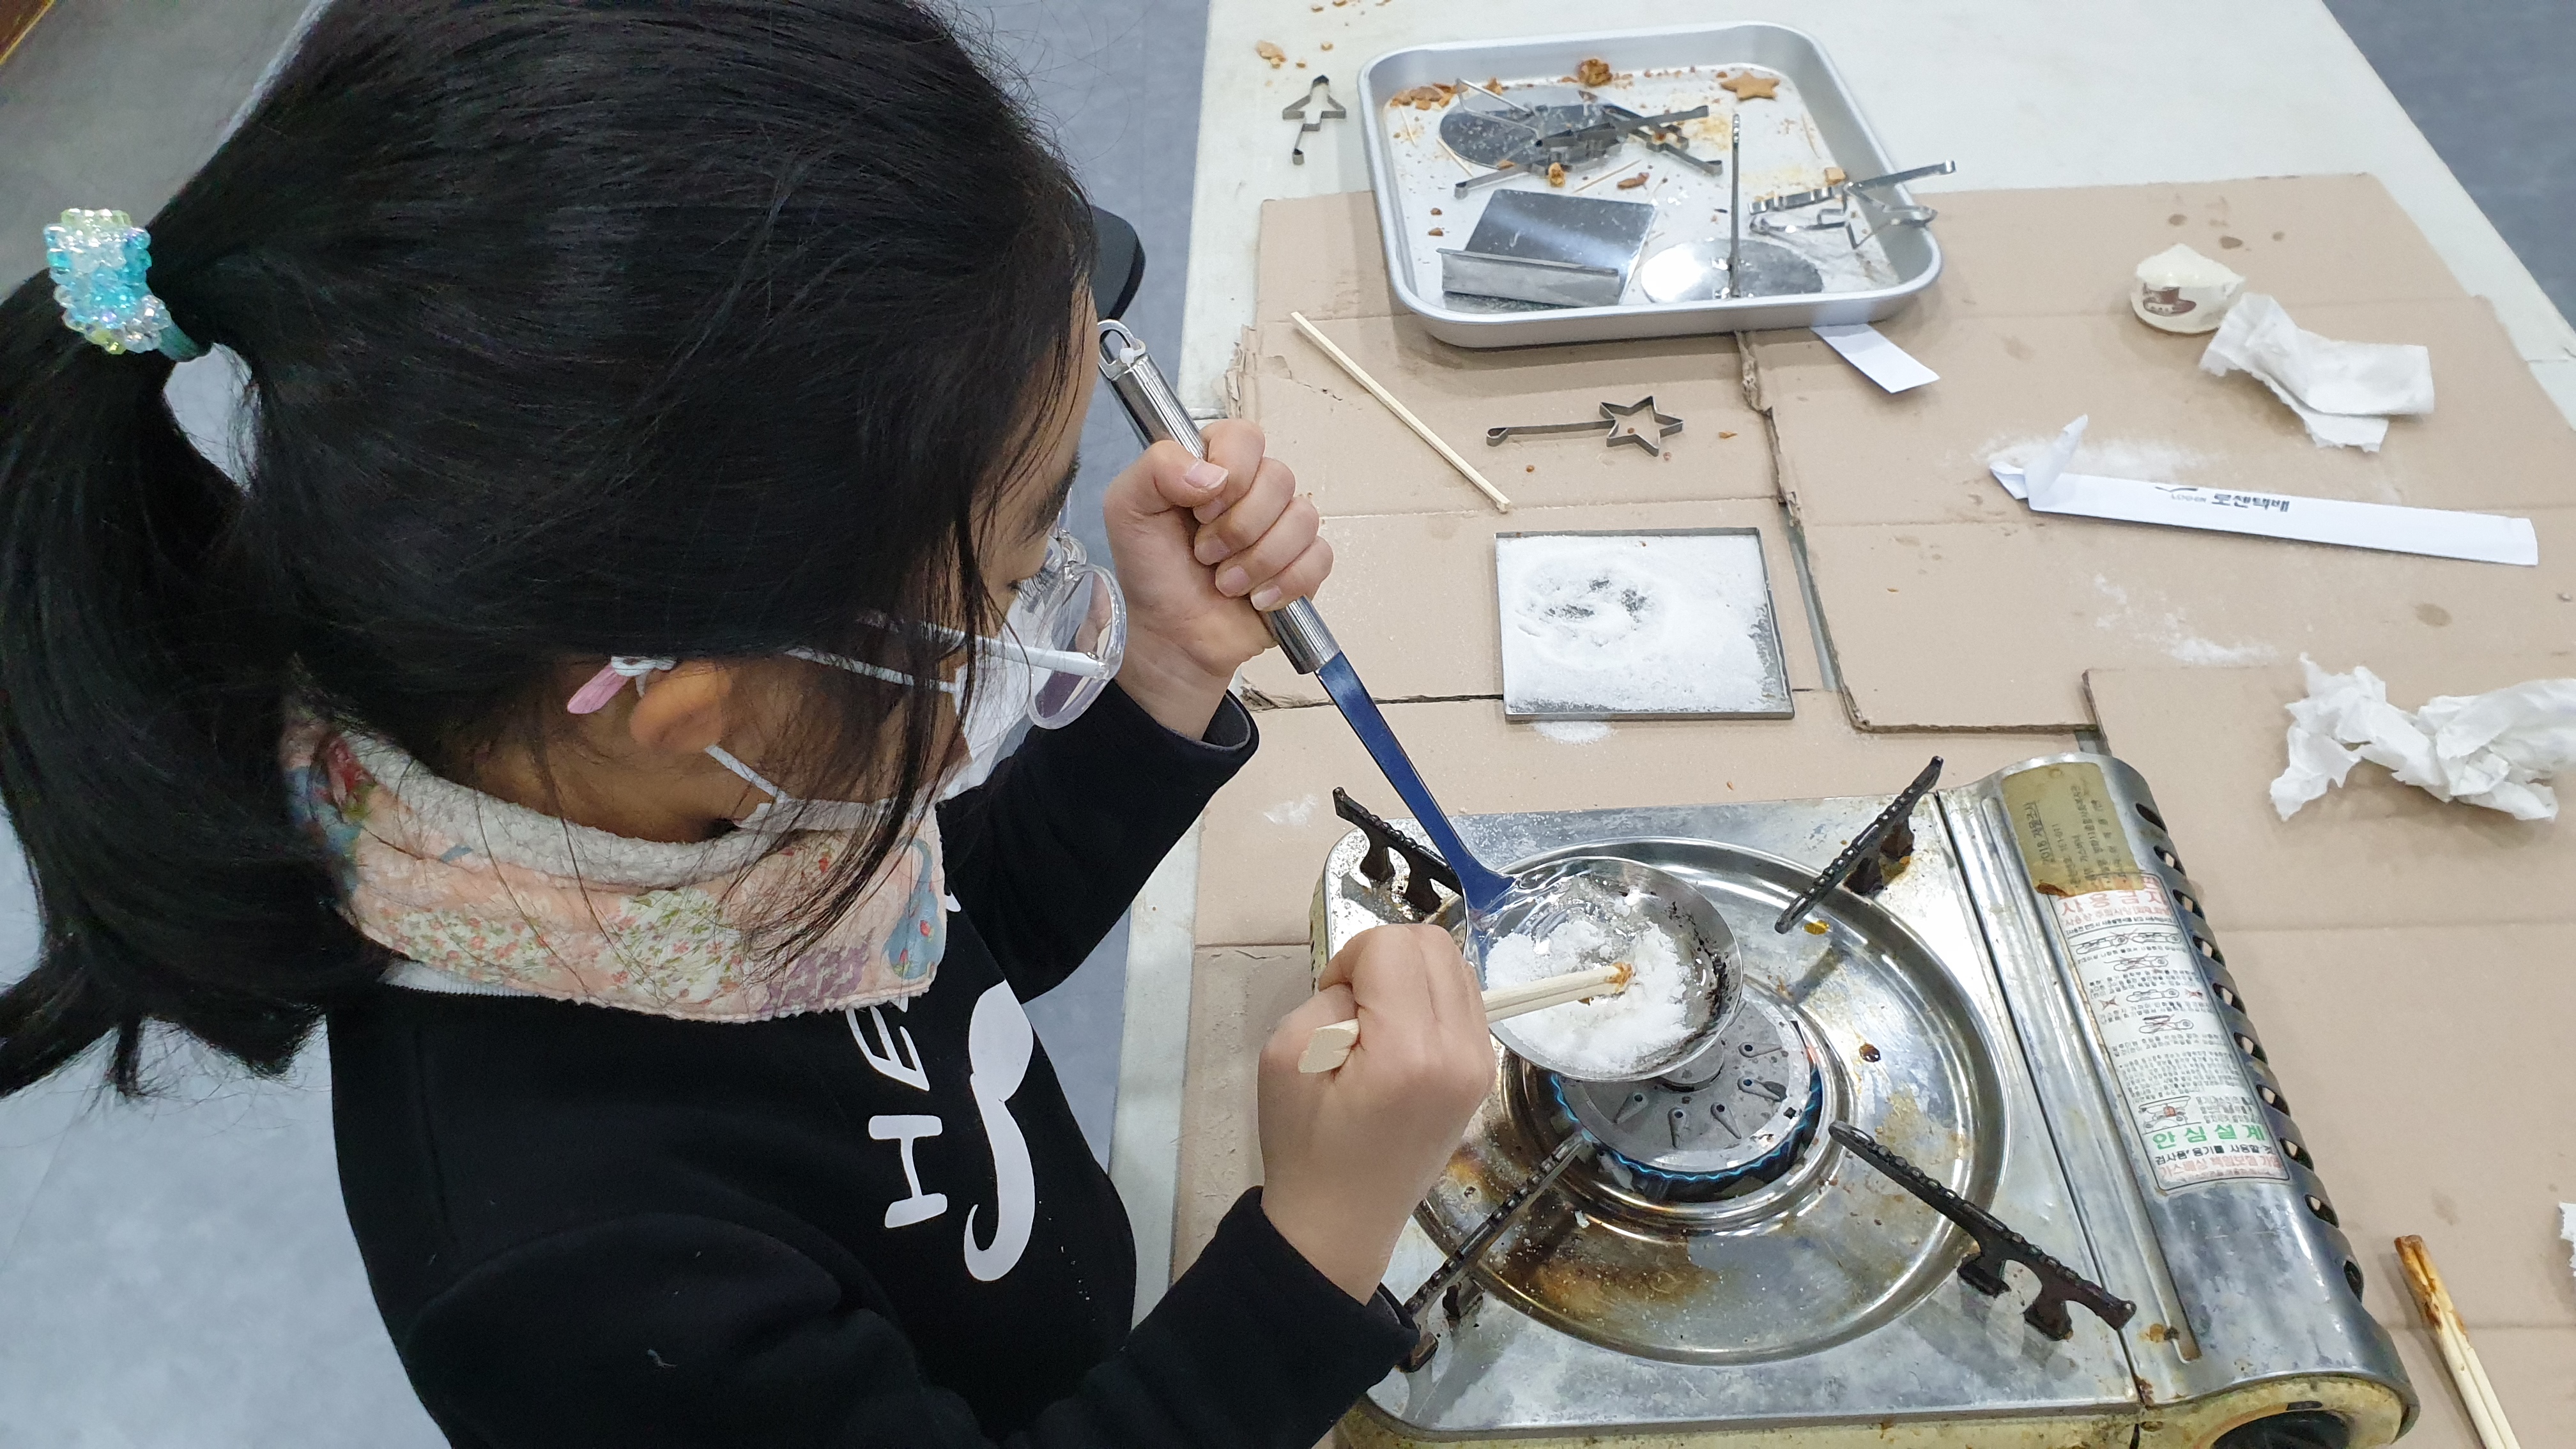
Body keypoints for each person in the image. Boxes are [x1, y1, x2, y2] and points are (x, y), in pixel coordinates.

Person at [0, 4, 1496, 1445]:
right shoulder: (575, 1285)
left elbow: (946, 939)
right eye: (1012, 573)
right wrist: (1314, 1248)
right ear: (690, 704)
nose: (1050, 602)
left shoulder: (700, 785)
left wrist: (1165, 666)